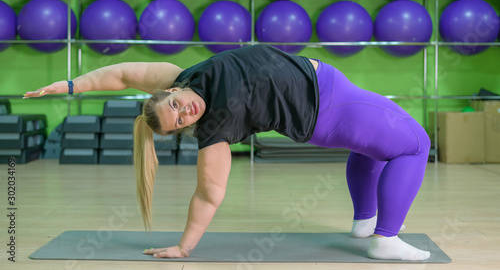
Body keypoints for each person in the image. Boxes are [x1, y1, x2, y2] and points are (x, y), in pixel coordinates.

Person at [25, 44, 431, 261]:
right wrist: (184, 248)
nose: (186, 113)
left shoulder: (182, 76)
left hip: (330, 89)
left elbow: (121, 73)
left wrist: (70, 85)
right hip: (329, 108)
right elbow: (208, 195)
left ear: (169, 91)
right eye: (180, 122)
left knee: (376, 149)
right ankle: (386, 239)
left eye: (176, 107)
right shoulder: (215, 133)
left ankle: (365, 223)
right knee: (415, 146)